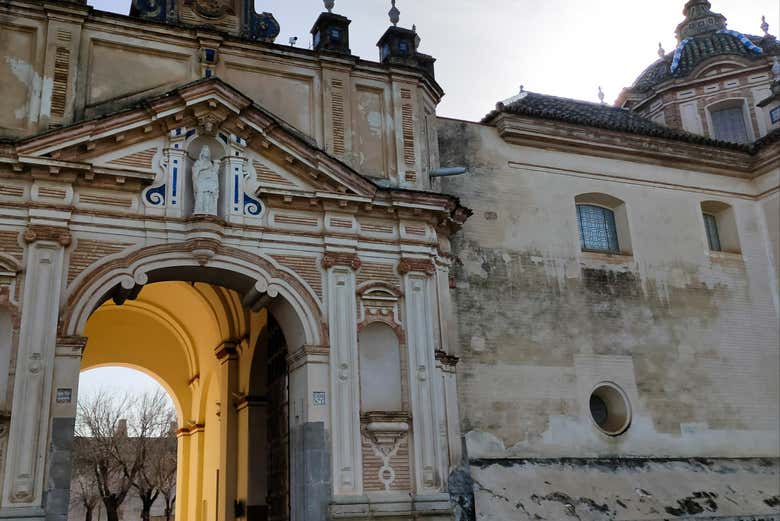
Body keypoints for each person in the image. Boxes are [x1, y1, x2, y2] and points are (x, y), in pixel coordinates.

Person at [192, 145, 220, 215]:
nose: (207, 153)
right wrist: (203, 168)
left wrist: (216, 166)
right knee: (201, 196)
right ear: (202, 153)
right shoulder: (198, 162)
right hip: (201, 181)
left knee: (209, 196)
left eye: (208, 152)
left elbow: (214, 173)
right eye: (205, 151)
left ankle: (208, 210)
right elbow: (195, 172)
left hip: (209, 182)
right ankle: (200, 210)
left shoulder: (210, 163)